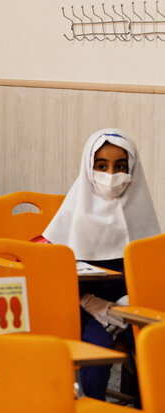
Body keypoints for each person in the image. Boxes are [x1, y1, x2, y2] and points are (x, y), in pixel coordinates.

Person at [42, 128, 160, 401]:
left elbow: (149, 271)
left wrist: (129, 301)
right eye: (101, 166)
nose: (111, 176)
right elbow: (50, 279)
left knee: (154, 344)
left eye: (120, 166)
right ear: (88, 169)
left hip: (133, 307)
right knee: (98, 350)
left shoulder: (142, 216)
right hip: (84, 309)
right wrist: (90, 303)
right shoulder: (68, 220)